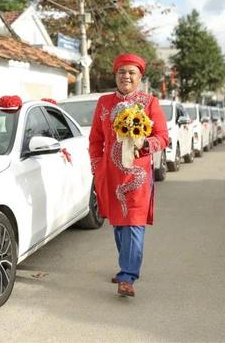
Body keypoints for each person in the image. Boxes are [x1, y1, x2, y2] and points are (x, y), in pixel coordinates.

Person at [89, 53, 169, 297]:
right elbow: (96, 139)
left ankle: (127, 276)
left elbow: (163, 137)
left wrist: (145, 143)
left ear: (140, 77)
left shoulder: (149, 102)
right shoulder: (104, 103)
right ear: (115, 75)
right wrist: (97, 166)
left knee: (134, 223)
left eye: (132, 72)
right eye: (122, 72)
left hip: (138, 175)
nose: (126, 76)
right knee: (118, 223)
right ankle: (126, 265)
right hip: (111, 175)